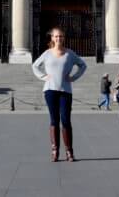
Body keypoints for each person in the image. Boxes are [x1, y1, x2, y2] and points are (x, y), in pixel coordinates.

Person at [32, 26, 87, 162]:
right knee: (54, 120)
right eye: (56, 36)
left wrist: (73, 77)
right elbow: (35, 66)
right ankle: (55, 151)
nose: (58, 38)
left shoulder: (70, 54)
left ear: (64, 38)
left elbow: (83, 65)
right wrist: (44, 77)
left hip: (65, 91)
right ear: (52, 38)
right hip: (50, 90)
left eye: (61, 36)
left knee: (66, 120)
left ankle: (69, 151)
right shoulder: (47, 53)